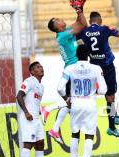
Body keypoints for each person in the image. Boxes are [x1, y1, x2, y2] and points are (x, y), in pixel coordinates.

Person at [57, 44, 107, 157]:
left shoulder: (70, 68)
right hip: (90, 103)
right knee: (89, 135)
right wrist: (94, 92)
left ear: (76, 55)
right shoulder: (96, 68)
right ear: (89, 55)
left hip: (76, 103)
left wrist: (66, 99)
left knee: (75, 134)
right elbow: (103, 90)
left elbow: (59, 88)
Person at [43, 4, 88, 144]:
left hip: (74, 68)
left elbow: (82, 23)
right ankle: (47, 108)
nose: (61, 19)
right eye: (58, 19)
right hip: (73, 69)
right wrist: (79, 11)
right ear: (57, 26)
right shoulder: (63, 35)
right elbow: (82, 26)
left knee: (71, 103)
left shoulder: (65, 32)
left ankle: (54, 130)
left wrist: (79, 10)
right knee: (75, 101)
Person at [16, 62, 45, 157]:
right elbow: (19, 96)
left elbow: (34, 101)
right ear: (32, 72)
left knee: (40, 143)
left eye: (41, 66)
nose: (41, 68)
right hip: (28, 117)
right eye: (38, 67)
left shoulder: (41, 87)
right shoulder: (29, 81)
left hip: (36, 118)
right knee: (28, 143)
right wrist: (26, 112)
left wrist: (39, 112)